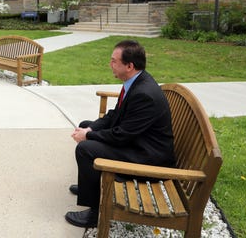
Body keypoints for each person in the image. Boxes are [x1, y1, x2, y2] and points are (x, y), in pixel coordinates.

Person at [65, 40, 175, 228]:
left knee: (85, 149)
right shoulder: (135, 82)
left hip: (147, 156)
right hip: (138, 141)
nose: (111, 64)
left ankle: (94, 215)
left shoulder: (144, 94)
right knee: (86, 125)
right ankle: (88, 187)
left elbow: (121, 135)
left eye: (114, 61)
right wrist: (90, 129)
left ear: (129, 66)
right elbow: (115, 115)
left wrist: (88, 136)